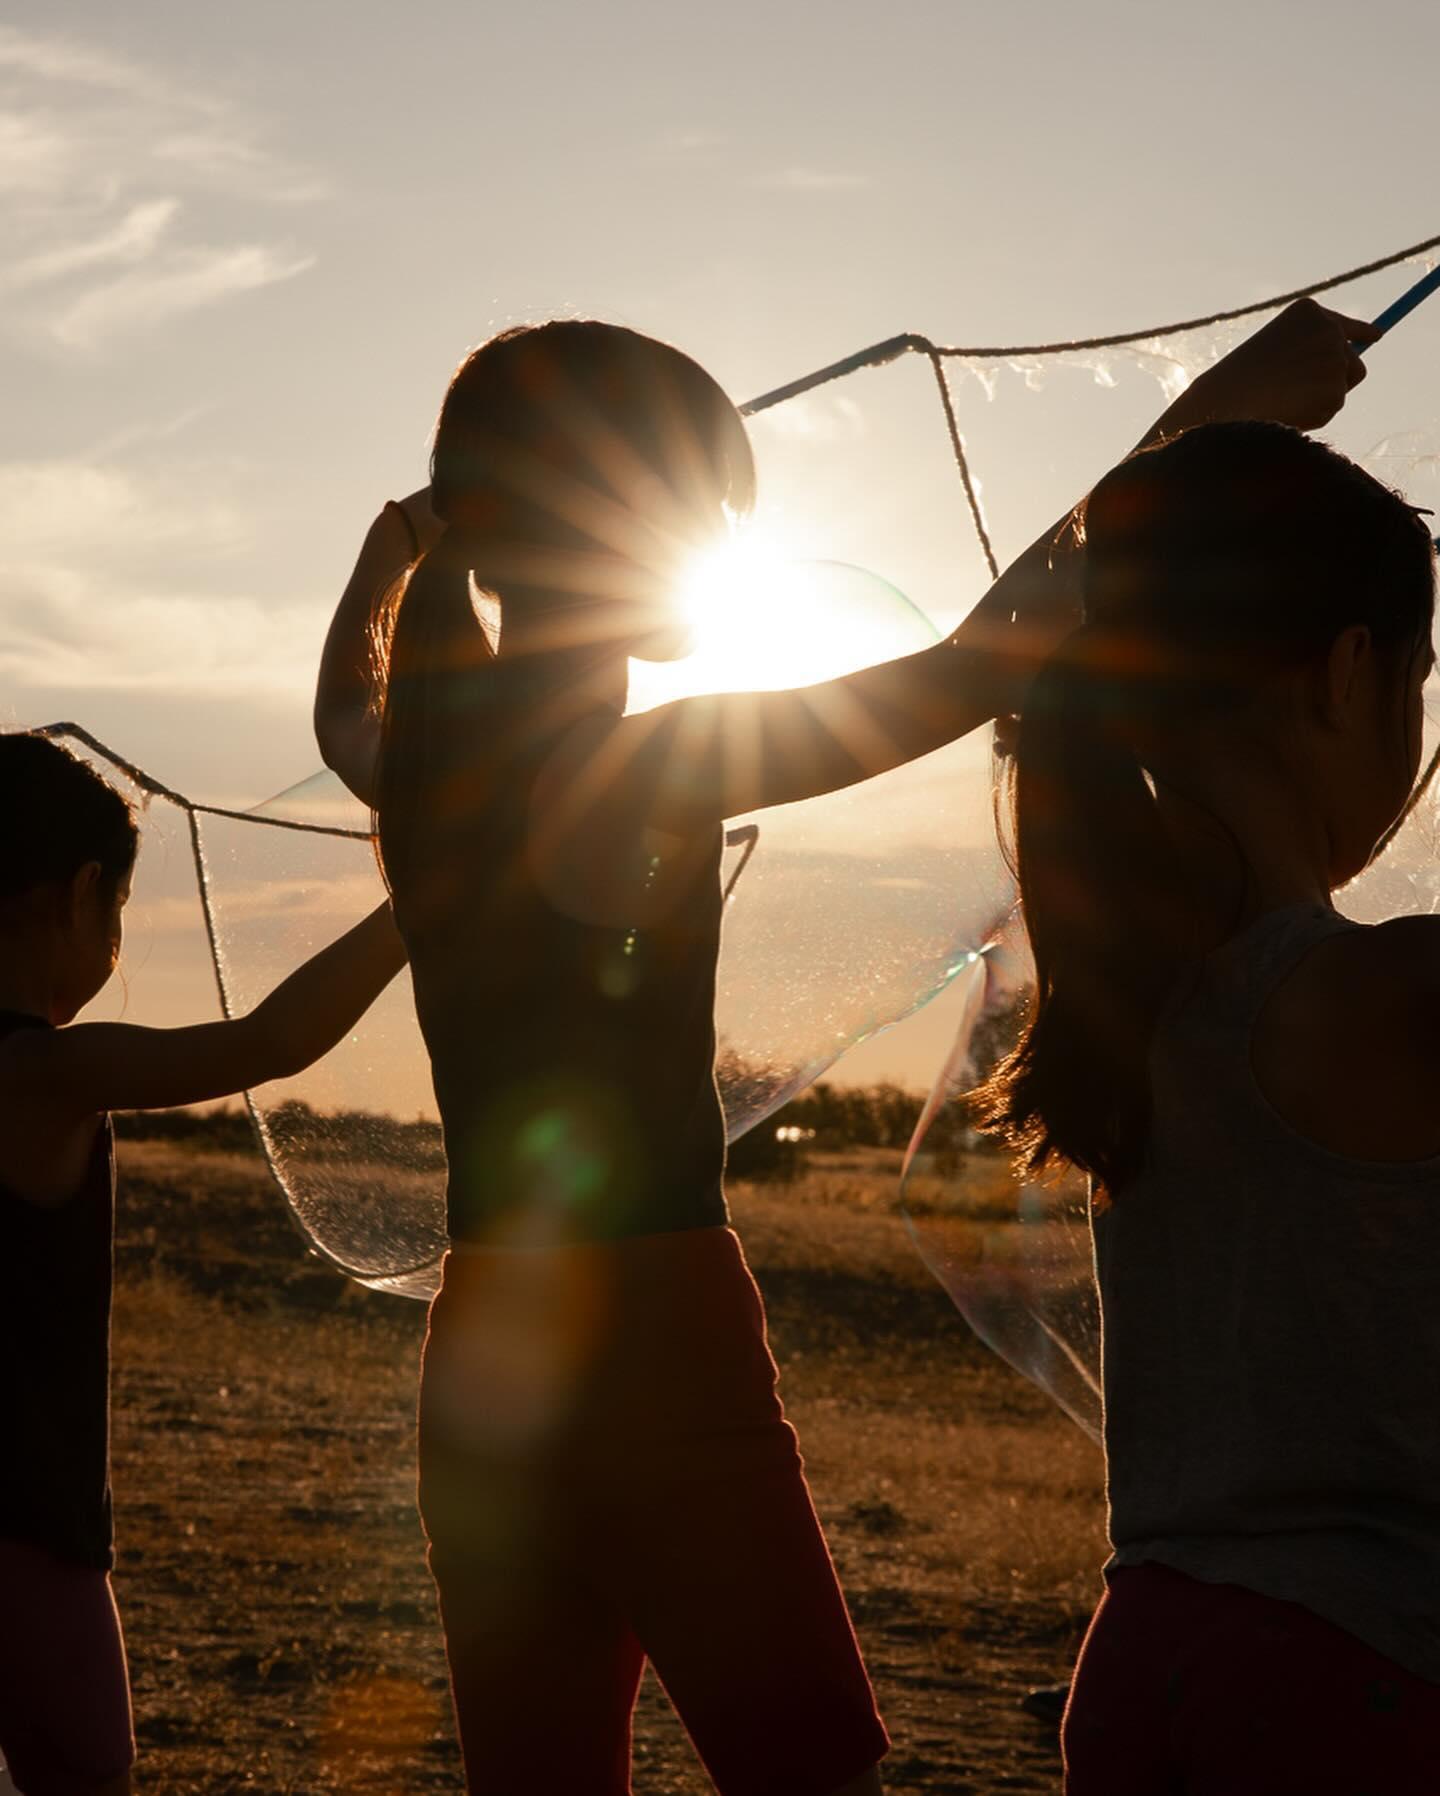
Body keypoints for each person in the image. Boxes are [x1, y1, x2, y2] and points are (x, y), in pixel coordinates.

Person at [313, 301, 1371, 1796]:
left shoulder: (429, 774)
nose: (720, 538)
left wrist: (406, 540)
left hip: (482, 1348)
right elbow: (986, 659)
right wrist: (1207, 420)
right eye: (704, 505)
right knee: (804, 1768)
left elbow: (343, 702)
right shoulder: (638, 760)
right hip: (654, 1337)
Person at [974, 419, 1440, 1792]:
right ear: (1352, 674)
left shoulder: (1129, 1006)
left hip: (1149, 1660)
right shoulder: (1395, 995)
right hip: (1369, 1680)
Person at [0, 731, 407, 1796]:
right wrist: (423, 902)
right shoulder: (42, 1073)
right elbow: (267, 1040)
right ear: (83, 895)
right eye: (123, 914)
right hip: (28, 1539)